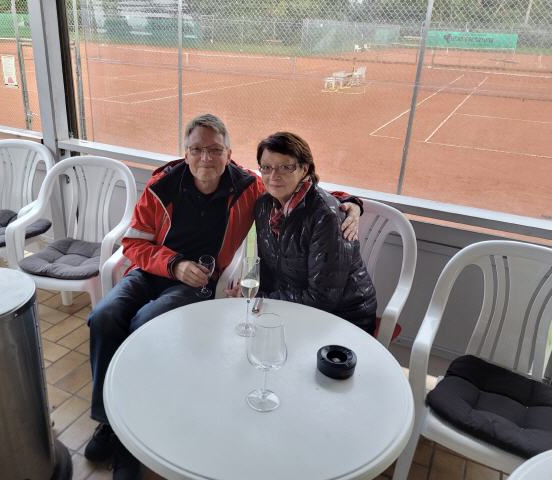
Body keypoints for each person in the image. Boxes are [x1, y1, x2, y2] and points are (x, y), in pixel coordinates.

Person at [85, 115, 362, 479]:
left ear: (229, 153)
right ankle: (109, 421)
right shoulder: (161, 185)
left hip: (196, 284)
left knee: (143, 324)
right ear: (185, 153)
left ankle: (132, 437)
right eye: (197, 149)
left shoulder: (247, 186)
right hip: (150, 272)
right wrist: (174, 264)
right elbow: (133, 243)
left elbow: (300, 190)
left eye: (215, 149)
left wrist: (352, 203)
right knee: (103, 317)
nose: (206, 158)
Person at [241, 131, 377, 334]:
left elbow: (322, 299)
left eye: (285, 167)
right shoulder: (264, 206)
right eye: (267, 167)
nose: (274, 176)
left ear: (304, 169)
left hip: (341, 318)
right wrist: (252, 295)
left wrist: (263, 300)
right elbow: (267, 271)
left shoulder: (326, 217)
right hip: (291, 307)